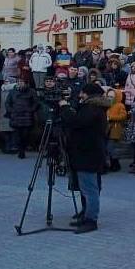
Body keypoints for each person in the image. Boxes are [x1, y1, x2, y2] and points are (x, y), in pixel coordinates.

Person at [60, 83, 109, 234]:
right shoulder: (94, 108)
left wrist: (65, 108)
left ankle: (91, 220)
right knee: (87, 188)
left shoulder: (92, 109)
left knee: (90, 189)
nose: (80, 95)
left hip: (88, 154)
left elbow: (76, 122)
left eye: (82, 92)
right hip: (87, 153)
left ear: (88, 94)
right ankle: (87, 215)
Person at [5, 78, 38, 159]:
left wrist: (31, 110)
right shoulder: (12, 92)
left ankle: (24, 147)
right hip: (16, 115)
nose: (20, 83)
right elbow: (7, 103)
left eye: (22, 81)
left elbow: (36, 102)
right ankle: (21, 150)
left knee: (25, 135)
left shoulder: (31, 91)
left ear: (26, 83)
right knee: (18, 134)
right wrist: (11, 110)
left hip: (27, 116)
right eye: (19, 82)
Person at [105, 87, 128, 172]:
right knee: (108, 148)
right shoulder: (106, 105)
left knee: (111, 148)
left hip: (115, 128)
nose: (109, 98)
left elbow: (123, 116)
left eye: (112, 96)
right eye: (108, 96)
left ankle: (115, 164)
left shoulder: (120, 105)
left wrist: (111, 117)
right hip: (106, 128)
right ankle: (112, 164)